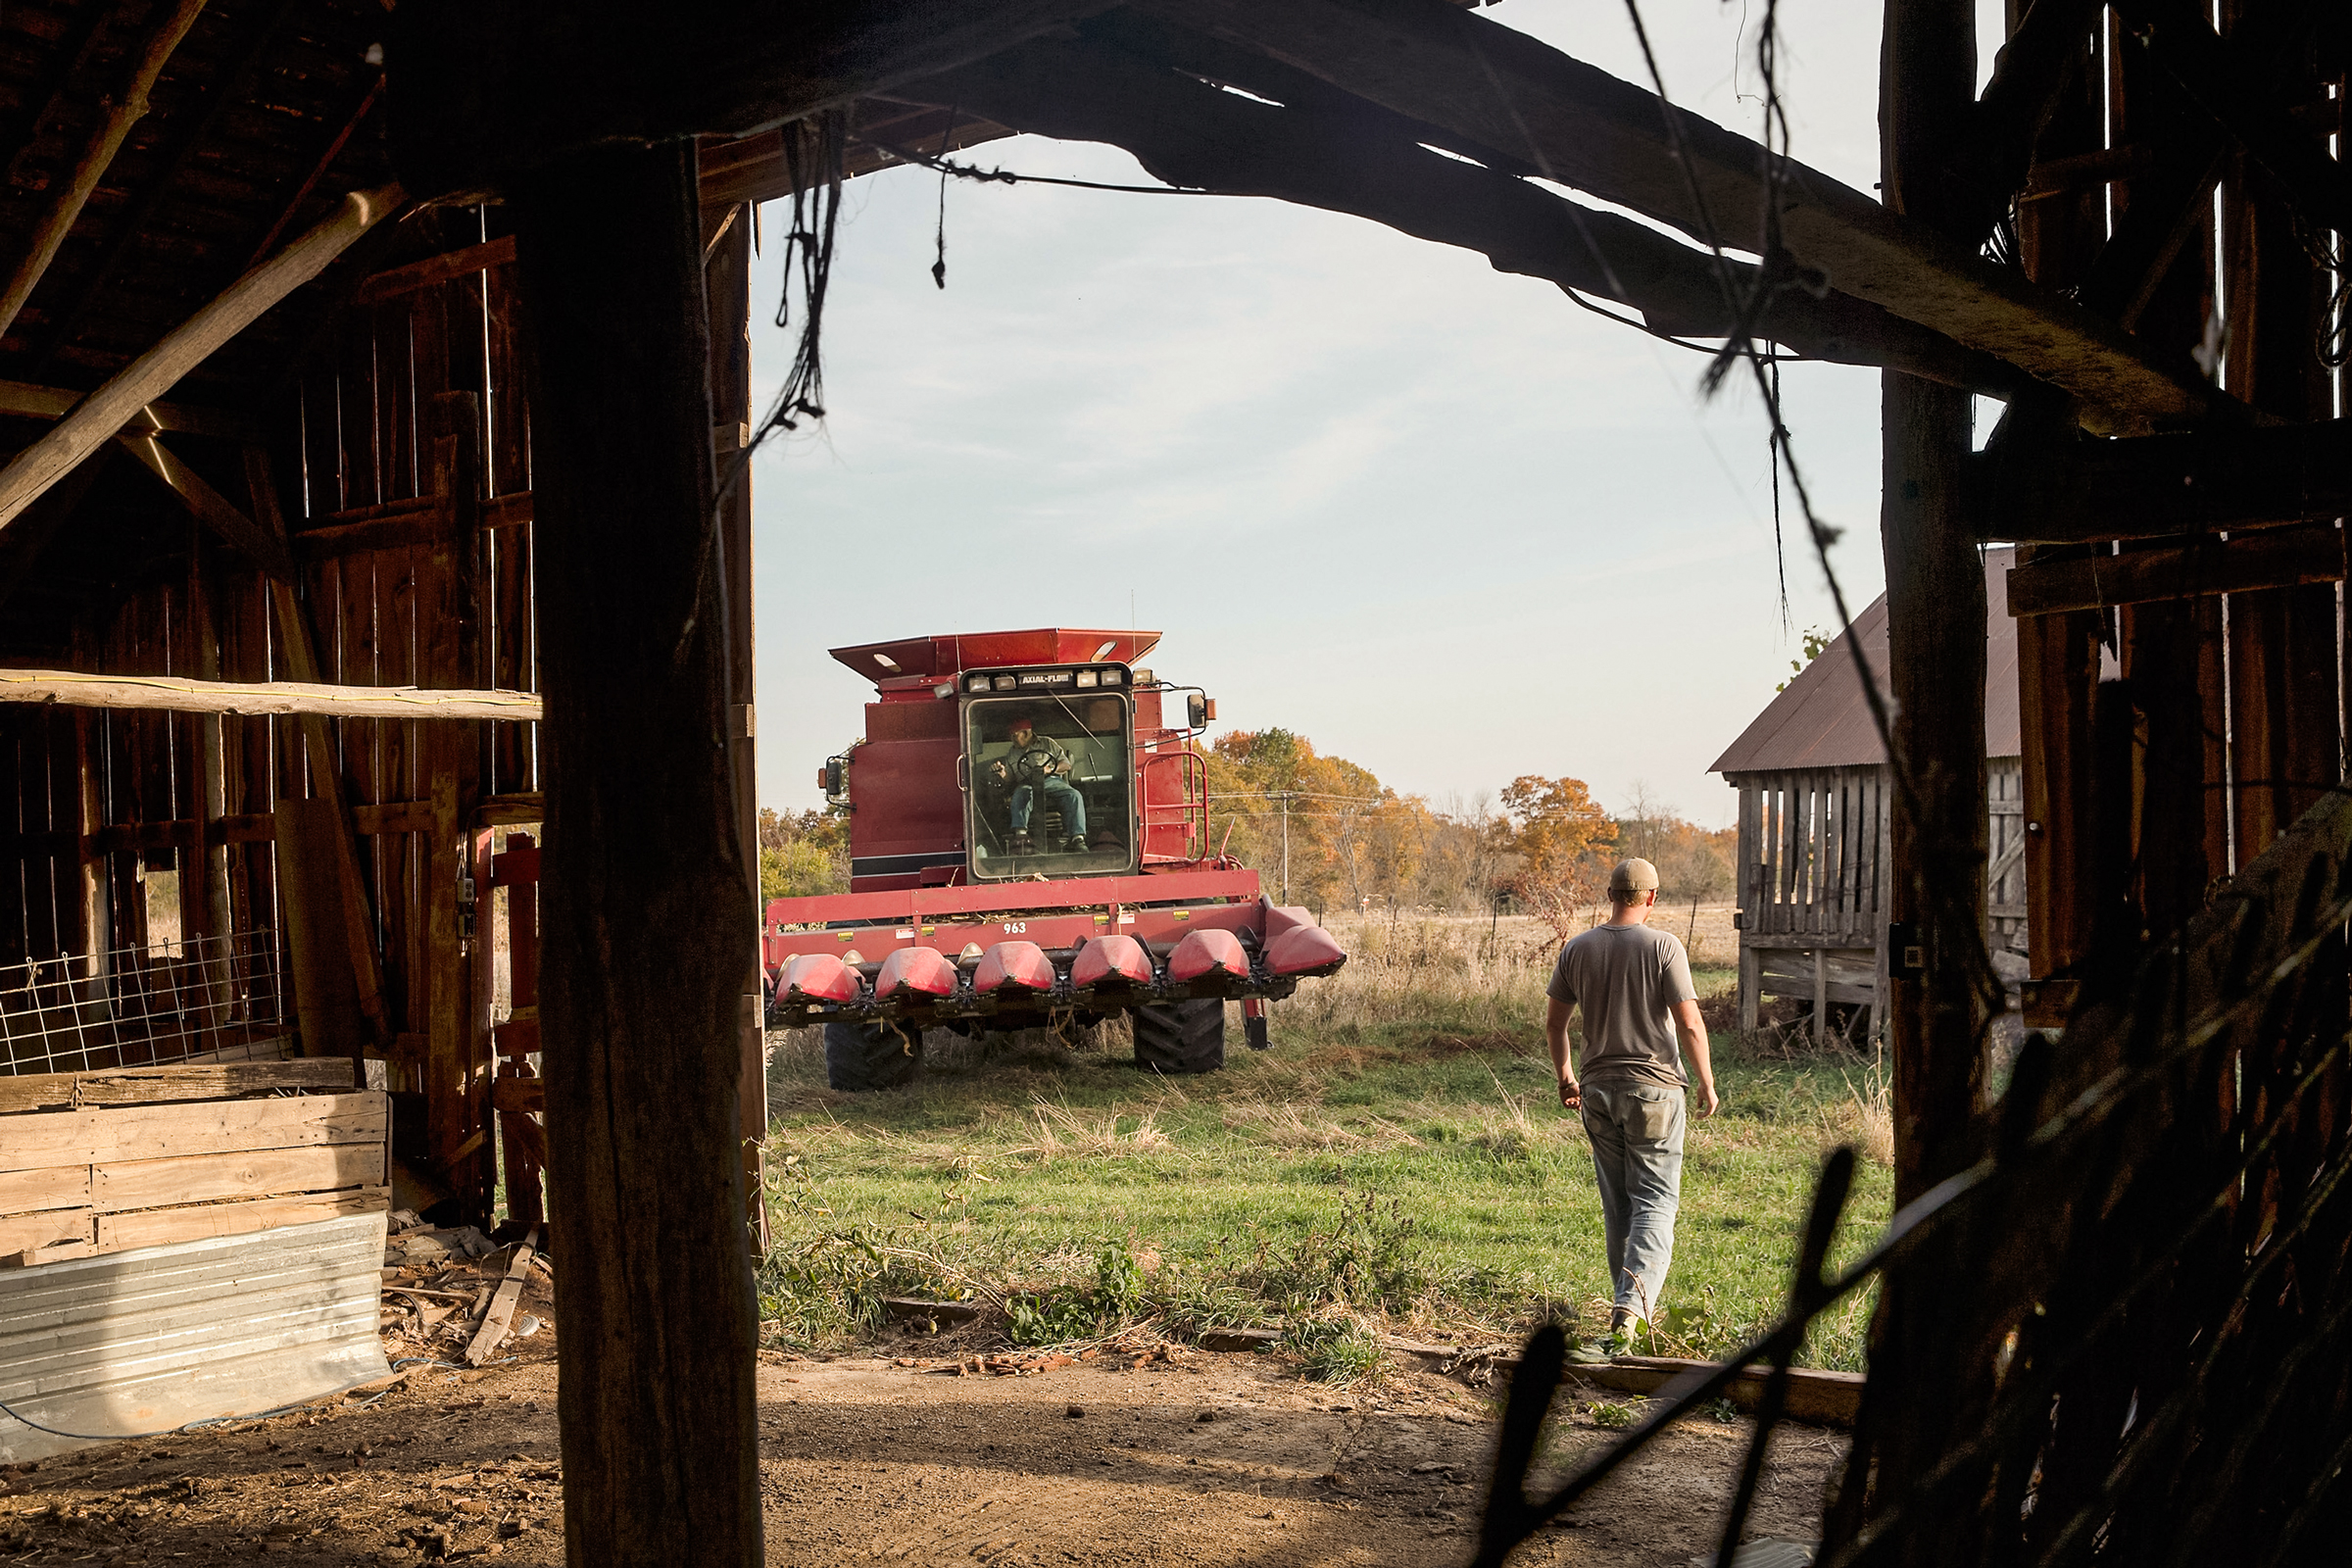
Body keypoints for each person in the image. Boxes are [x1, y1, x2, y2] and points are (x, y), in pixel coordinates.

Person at [1544, 856, 1719, 1349]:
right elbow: (1688, 1023)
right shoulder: (1664, 946)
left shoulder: (1577, 949)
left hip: (1597, 1090)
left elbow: (1556, 1024)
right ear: (1652, 898)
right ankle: (1631, 1310)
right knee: (1656, 1200)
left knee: (1619, 1203)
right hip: (1656, 1091)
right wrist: (1706, 1081)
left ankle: (1623, 1301)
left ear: (1610, 895)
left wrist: (1565, 1078)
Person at [988, 714, 1087, 854]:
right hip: (1027, 784)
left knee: (1074, 795)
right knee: (1020, 793)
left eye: (1014, 735)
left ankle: (1077, 838)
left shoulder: (1047, 743)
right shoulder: (1012, 752)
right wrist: (1002, 773)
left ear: (1026, 733)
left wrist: (1050, 769)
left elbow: (1066, 765)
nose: (1012, 739)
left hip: (1051, 781)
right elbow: (1010, 778)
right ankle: (1021, 836)